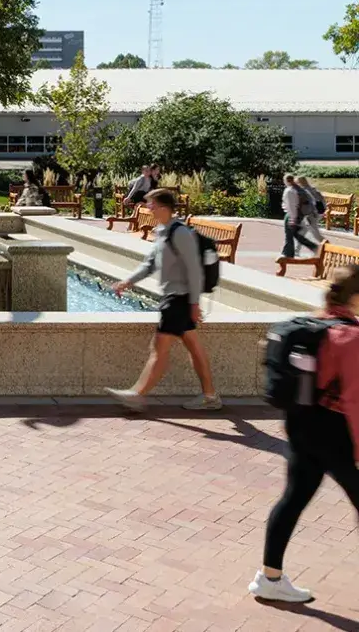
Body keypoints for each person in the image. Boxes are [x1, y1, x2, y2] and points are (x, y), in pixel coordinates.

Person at [250, 265, 359, 604]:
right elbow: (354, 399)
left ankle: (270, 578)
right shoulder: (351, 337)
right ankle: (270, 580)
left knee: (293, 498)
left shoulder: (314, 325)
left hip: (301, 423)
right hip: (334, 430)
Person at [106, 189, 222, 411]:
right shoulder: (162, 232)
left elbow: (194, 271)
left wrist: (194, 304)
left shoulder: (179, 233)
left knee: (159, 348)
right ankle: (210, 397)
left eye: (151, 205)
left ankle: (137, 395)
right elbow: (150, 264)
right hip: (175, 297)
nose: (147, 208)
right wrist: (127, 282)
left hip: (179, 299)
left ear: (164, 207)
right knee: (194, 348)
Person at [281, 174, 318, 261]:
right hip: (299, 215)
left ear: (286, 181)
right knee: (296, 235)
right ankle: (314, 247)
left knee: (289, 235)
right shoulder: (299, 189)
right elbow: (312, 201)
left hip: (291, 215)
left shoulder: (289, 191)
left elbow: (291, 206)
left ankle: (288, 254)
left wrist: (292, 219)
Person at [297, 175, 326, 246]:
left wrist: (313, 213)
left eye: (297, 182)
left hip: (312, 214)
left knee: (316, 235)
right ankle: (296, 250)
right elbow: (323, 201)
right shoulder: (313, 189)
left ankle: (328, 247)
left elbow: (313, 202)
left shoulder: (305, 190)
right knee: (302, 231)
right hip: (317, 213)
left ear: (300, 182)